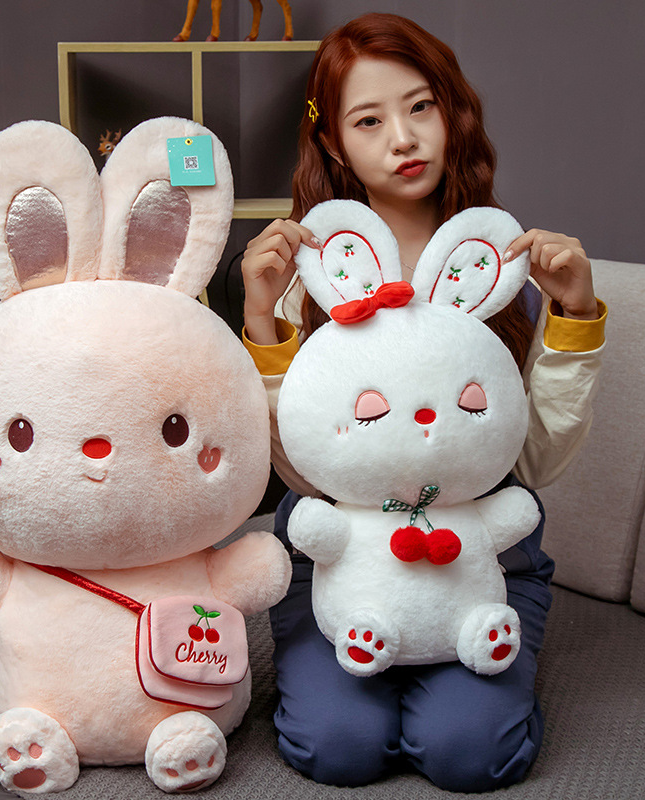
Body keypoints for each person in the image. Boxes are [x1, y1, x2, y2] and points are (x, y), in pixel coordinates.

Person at [239, 12, 607, 792]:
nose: (403, 139)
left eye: (420, 107)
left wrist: (573, 315)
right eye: (369, 121)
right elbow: (303, 469)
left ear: (452, 111)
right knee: (339, 747)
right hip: (338, 554)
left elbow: (534, 461)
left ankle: (462, 696)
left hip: (479, 558)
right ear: (333, 143)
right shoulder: (311, 277)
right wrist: (262, 322)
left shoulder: (496, 268)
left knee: (467, 753)